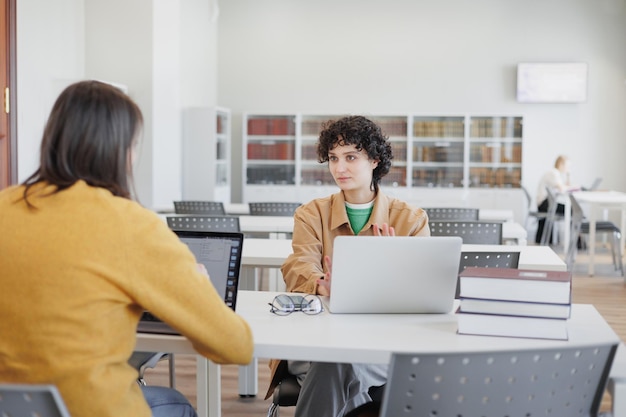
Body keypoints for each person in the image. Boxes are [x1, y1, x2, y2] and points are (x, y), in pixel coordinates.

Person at [0, 80, 253, 417]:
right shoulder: (132, 226)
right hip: (93, 408)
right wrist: (200, 286)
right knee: (178, 405)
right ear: (122, 151)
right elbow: (235, 346)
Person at [264, 115, 430, 417]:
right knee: (335, 363)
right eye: (333, 158)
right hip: (318, 339)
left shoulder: (410, 219)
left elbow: (424, 293)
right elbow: (298, 265)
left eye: (351, 157)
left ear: (375, 160)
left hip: (381, 346)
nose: (339, 168)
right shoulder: (311, 214)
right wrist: (319, 284)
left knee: (337, 367)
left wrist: (393, 270)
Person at [535, 155, 572, 244]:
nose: (568, 169)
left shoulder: (555, 173)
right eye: (568, 166)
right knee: (571, 210)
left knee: (570, 209)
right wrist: (568, 176)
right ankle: (574, 241)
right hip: (545, 203)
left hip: (546, 203)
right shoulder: (553, 173)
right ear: (561, 164)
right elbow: (562, 189)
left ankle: (575, 240)